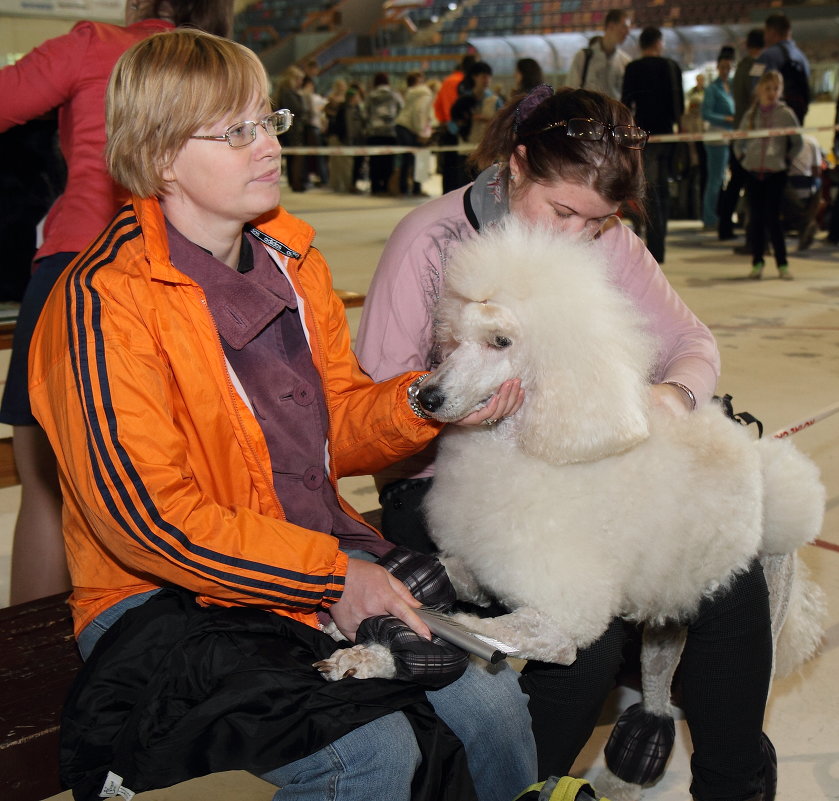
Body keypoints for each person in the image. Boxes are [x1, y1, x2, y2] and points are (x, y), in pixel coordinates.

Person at [28, 28, 534, 801]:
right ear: (162, 156)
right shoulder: (101, 304)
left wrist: (426, 400)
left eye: (269, 120)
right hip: (159, 597)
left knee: (492, 701)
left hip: (303, 561)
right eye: (237, 131)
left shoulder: (292, 260)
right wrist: (332, 576)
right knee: (369, 753)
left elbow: (336, 425)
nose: (268, 147)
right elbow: (149, 521)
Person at [356, 84, 778, 801]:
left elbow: (691, 342)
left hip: (575, 472)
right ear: (517, 164)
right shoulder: (430, 239)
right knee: (587, 626)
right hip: (444, 482)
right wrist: (457, 411)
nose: (578, 233)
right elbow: (366, 408)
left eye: (596, 220)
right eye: (561, 211)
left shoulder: (608, 241)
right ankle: (513, 784)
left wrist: (670, 396)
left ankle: (734, 784)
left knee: (732, 575)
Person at [0, 0, 234, 606]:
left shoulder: (90, 44)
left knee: (46, 492)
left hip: (76, 265)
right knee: (196, 483)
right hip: (191, 272)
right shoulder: (225, 68)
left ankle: (37, 671)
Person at [622, 25, 684, 263]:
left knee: (651, 190)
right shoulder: (671, 66)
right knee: (664, 191)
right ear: (659, 42)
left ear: (641, 44)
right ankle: (660, 245)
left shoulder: (633, 68)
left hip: (643, 137)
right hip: (669, 136)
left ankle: (655, 248)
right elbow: (679, 103)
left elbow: (626, 103)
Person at [734, 70, 802, 280]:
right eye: (767, 88)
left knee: (773, 219)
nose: (771, 93)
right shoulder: (751, 114)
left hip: (776, 172)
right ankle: (757, 262)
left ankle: (782, 264)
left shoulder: (786, 114)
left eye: (775, 89)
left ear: (780, 91)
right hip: (754, 172)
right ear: (759, 90)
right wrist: (744, 158)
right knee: (755, 219)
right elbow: (739, 140)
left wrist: (787, 159)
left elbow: (797, 142)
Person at [718, 28, 764, 243]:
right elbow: (755, 98)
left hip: (739, 132)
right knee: (743, 184)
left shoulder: (743, 68)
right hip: (748, 134)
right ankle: (731, 226)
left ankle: (726, 224)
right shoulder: (755, 67)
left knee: (735, 183)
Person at [752, 14, 811, 125]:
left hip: (771, 120)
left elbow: (755, 85)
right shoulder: (802, 58)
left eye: (765, 32)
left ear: (772, 32)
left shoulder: (765, 56)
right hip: (797, 117)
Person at [701, 48, 735, 230]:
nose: (726, 70)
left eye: (729, 67)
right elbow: (705, 113)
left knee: (720, 179)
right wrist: (726, 119)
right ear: (718, 67)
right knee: (715, 179)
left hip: (728, 137)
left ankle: (716, 215)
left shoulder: (731, 86)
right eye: (723, 67)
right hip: (716, 137)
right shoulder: (712, 89)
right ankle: (709, 217)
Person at [566, 9, 632, 99]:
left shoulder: (625, 62)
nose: (627, 32)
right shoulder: (584, 57)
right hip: (587, 111)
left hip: (612, 112)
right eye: (624, 27)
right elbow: (571, 90)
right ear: (611, 26)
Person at [435, 54, 477, 194]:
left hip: (449, 128)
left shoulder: (447, 81)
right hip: (465, 130)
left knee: (448, 167)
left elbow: (437, 106)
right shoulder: (466, 85)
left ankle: (446, 196)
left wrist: (445, 122)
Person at [395, 71, 435, 196]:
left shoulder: (411, 93)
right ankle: (416, 189)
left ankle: (404, 188)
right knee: (419, 158)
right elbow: (419, 114)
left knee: (407, 159)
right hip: (412, 128)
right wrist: (421, 133)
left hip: (402, 126)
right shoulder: (425, 94)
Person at [783, 132, 823, 251]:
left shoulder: (781, 140)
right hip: (807, 182)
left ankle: (804, 221)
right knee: (819, 184)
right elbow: (817, 170)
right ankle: (807, 220)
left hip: (788, 181)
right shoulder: (812, 141)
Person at [365, 72, 403, 195]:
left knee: (374, 161)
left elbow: (365, 113)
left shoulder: (370, 96)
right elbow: (401, 110)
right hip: (390, 133)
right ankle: (387, 186)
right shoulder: (394, 95)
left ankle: (375, 187)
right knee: (388, 161)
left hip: (374, 133)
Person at [274, 65, 307, 192]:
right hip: (292, 131)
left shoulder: (285, 92)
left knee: (293, 158)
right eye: (299, 79)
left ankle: (295, 182)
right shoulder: (288, 93)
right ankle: (296, 183)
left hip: (290, 130)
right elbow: (296, 110)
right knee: (296, 158)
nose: (301, 82)